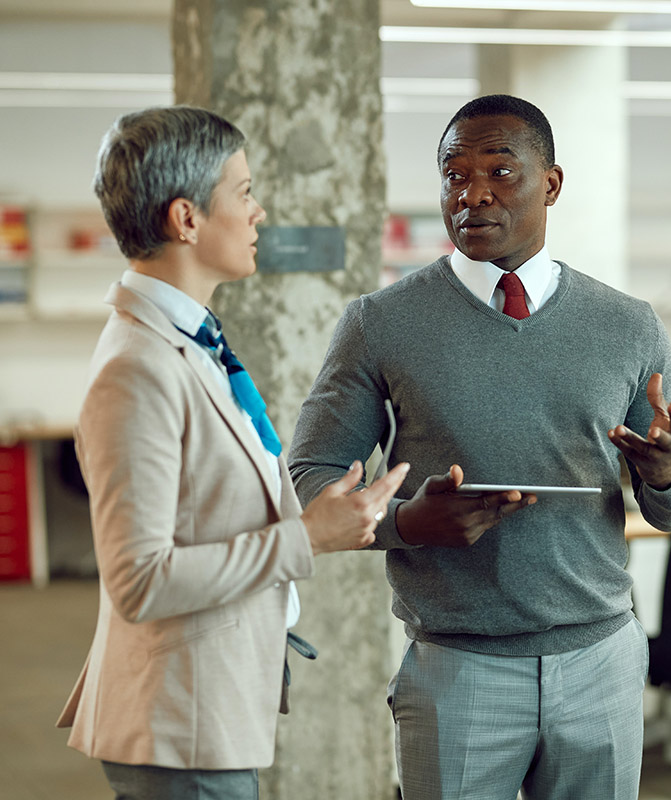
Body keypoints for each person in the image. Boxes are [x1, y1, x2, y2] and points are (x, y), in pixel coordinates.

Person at [288, 94, 671, 800]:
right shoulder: (380, 323)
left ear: (550, 184)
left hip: (599, 661)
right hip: (458, 668)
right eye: (454, 174)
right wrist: (405, 525)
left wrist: (668, 473)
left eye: (499, 171)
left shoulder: (628, 325)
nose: (473, 194)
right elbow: (313, 475)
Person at [55, 106, 410, 800]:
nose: (259, 211)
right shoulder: (138, 367)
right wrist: (307, 538)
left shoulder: (190, 340)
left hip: (207, 706)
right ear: (186, 219)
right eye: (243, 193)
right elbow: (141, 581)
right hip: (177, 720)